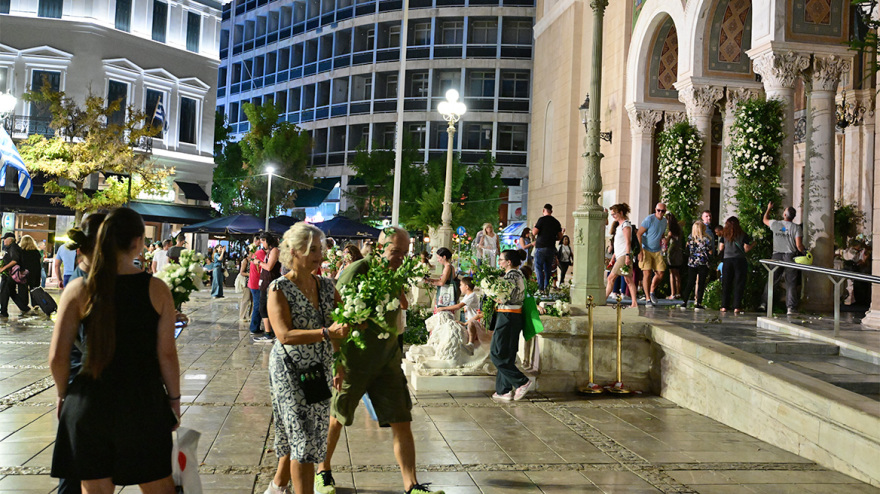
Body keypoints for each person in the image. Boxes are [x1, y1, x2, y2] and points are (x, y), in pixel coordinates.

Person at [49, 207, 181, 492]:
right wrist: (174, 399)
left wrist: (63, 393)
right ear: (137, 242)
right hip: (142, 401)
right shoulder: (157, 289)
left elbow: (58, 357)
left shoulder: (78, 289)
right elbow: (167, 354)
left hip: (88, 399)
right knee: (158, 485)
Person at [318, 227, 443, 494]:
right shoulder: (357, 270)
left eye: (404, 252)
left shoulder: (396, 272)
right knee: (337, 417)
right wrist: (337, 360)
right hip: (355, 361)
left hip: (387, 362)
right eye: (395, 251)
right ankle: (323, 470)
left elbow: (402, 305)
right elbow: (333, 311)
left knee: (401, 420)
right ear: (380, 246)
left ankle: (412, 485)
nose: (400, 257)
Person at [263, 223, 350, 494]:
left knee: (309, 433)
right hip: (289, 370)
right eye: (311, 249)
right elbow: (284, 335)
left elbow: (341, 324)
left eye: (319, 249)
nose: (318, 255)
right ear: (293, 251)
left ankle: (278, 486)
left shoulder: (326, 286)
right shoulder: (279, 288)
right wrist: (325, 332)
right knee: (302, 438)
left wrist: (339, 363)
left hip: (316, 369)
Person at [53, 214, 106, 494]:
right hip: (83, 385)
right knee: (79, 472)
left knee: (78, 470)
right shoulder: (84, 286)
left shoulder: (87, 283)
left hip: (79, 387)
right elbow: (59, 355)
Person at [490, 250, 532, 401]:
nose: (499, 262)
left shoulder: (511, 275)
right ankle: (503, 390)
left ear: (508, 262)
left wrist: (491, 293)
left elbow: (503, 297)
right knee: (507, 354)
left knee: (496, 352)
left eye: (501, 260)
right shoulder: (520, 274)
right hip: (515, 316)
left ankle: (522, 381)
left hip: (507, 315)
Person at [762, 202, 804, 315]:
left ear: (785, 215)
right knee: (791, 282)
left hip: (777, 255)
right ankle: (791, 308)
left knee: (772, 280)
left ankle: (764, 303)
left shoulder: (776, 224)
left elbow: (765, 220)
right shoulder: (796, 228)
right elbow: (799, 246)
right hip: (790, 256)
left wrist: (768, 209)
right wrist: (805, 252)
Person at [604, 204, 639, 308]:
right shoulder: (619, 226)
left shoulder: (626, 225)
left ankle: (603, 299)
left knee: (611, 278)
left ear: (621, 213)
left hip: (624, 255)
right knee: (628, 279)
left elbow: (628, 242)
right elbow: (619, 244)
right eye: (612, 214)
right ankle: (634, 303)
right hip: (620, 255)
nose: (613, 216)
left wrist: (628, 256)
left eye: (614, 214)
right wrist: (613, 258)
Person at [435, 276, 485, 348]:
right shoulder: (467, 295)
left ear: (467, 287)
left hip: (474, 321)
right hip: (469, 320)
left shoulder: (472, 295)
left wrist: (443, 308)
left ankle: (471, 345)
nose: (460, 287)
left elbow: (458, 306)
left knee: (471, 326)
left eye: (461, 285)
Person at [719, 216, 752, 314]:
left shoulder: (724, 235)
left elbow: (721, 248)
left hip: (727, 260)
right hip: (739, 260)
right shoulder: (743, 234)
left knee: (726, 283)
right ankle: (737, 307)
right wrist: (754, 244)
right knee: (739, 283)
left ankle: (724, 306)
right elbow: (746, 249)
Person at [637, 202, 668, 306]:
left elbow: (661, 233)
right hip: (646, 249)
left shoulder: (664, 221)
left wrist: (663, 238)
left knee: (661, 272)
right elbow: (639, 234)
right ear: (655, 210)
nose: (660, 212)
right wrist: (640, 251)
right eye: (658, 210)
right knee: (647, 273)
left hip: (657, 249)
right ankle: (647, 298)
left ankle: (651, 291)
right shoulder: (649, 219)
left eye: (662, 211)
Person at [678, 221, 713, 310]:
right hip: (703, 263)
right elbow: (710, 252)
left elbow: (687, 251)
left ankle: (684, 301)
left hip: (692, 263)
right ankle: (698, 302)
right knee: (701, 283)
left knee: (690, 282)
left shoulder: (690, 239)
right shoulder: (707, 239)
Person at [255, 233, 282, 343]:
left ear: (267, 240)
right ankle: (269, 332)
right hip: (265, 281)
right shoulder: (270, 251)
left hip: (269, 281)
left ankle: (269, 333)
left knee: (265, 307)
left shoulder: (274, 250)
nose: (262, 244)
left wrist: (259, 263)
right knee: (263, 307)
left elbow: (269, 267)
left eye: (262, 241)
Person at [532, 204, 563, 293]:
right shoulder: (556, 222)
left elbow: (534, 232)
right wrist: (553, 238)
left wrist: (535, 226)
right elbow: (560, 236)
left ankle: (540, 288)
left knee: (538, 268)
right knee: (548, 268)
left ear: (543, 210)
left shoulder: (541, 220)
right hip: (551, 248)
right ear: (551, 211)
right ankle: (546, 288)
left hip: (540, 247)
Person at [0, 232, 31, 317]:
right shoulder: (11, 248)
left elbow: (15, 260)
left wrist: (3, 268)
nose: (4, 241)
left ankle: (3, 312)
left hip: (9, 275)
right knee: (11, 292)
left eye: (5, 239)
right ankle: (24, 308)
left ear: (10, 239)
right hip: (10, 274)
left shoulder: (13, 247)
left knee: (4, 292)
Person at [18, 235, 43, 312]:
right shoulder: (36, 252)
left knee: (23, 288)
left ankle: (24, 304)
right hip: (35, 273)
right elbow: (40, 262)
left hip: (24, 273)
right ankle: (35, 304)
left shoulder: (20, 252)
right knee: (34, 288)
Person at [249, 235, 267, 335]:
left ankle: (255, 326)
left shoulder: (258, 253)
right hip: (256, 283)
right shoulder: (260, 253)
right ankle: (254, 327)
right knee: (258, 306)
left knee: (259, 305)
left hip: (256, 283)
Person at [664, 213, 684, 300]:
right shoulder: (679, 229)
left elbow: (666, 242)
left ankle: (673, 293)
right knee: (677, 274)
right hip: (679, 252)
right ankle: (678, 292)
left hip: (672, 252)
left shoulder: (670, 231)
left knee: (672, 273)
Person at [237, 254, 253, 322]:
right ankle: (242, 316)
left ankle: (250, 316)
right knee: (246, 299)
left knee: (253, 300)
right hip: (247, 282)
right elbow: (242, 272)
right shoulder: (245, 260)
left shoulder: (254, 260)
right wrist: (250, 274)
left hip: (254, 282)